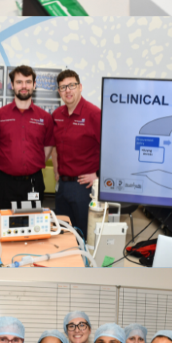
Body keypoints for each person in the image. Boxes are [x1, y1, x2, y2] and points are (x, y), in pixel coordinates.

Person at [0, 65, 54, 212]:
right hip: (4, 184)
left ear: (34, 85)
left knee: (32, 228)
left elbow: (48, 146)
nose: (24, 86)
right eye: (19, 82)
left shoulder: (45, 118)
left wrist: (32, 165)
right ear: (12, 85)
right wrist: (8, 165)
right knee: (2, 228)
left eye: (28, 82)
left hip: (33, 183)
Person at [50, 69, 100, 240]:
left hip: (83, 188)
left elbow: (110, 149)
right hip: (62, 187)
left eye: (71, 86)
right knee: (63, 235)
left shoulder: (94, 114)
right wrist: (56, 172)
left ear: (80, 87)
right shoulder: (57, 115)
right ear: (59, 92)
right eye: (63, 87)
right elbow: (54, 146)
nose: (68, 91)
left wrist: (98, 175)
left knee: (83, 236)